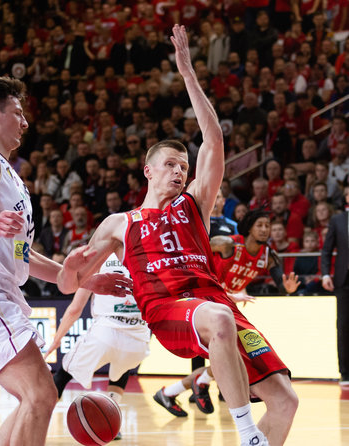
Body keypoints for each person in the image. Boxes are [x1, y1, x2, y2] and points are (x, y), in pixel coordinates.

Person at [68, 25, 298, 446]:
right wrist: (82, 276)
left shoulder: (194, 203)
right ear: (148, 169)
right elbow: (69, 280)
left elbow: (213, 139)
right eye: (171, 164)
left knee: (286, 400)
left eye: (184, 166)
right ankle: (247, 434)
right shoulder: (122, 222)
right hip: (167, 307)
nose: (180, 170)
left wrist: (189, 74)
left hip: (216, 303)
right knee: (220, 319)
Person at [0, 75, 126, 446]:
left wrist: (80, 278)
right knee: (42, 395)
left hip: (1, 287)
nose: (26, 122)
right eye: (18, 112)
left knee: (32, 399)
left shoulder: (10, 174)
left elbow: (22, 253)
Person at [155, 209, 300, 417]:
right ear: (249, 227)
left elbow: (281, 284)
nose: (264, 230)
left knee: (233, 356)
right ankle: (200, 382)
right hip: (203, 301)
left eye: (267, 226)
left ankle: (171, 392)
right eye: (259, 225)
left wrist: (288, 289)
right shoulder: (227, 243)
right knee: (234, 356)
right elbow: (193, 249)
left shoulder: (267, 255)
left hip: (225, 305)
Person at [45, 254, 146, 440]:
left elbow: (75, 309)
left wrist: (57, 339)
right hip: (139, 339)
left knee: (63, 373)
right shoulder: (146, 257)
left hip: (105, 333)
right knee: (121, 367)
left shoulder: (99, 260)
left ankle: (40, 414)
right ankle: (112, 418)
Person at [321, 185, 349, 385]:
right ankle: (345, 372)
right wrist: (324, 274)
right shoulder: (337, 220)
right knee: (343, 327)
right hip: (343, 280)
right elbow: (326, 250)